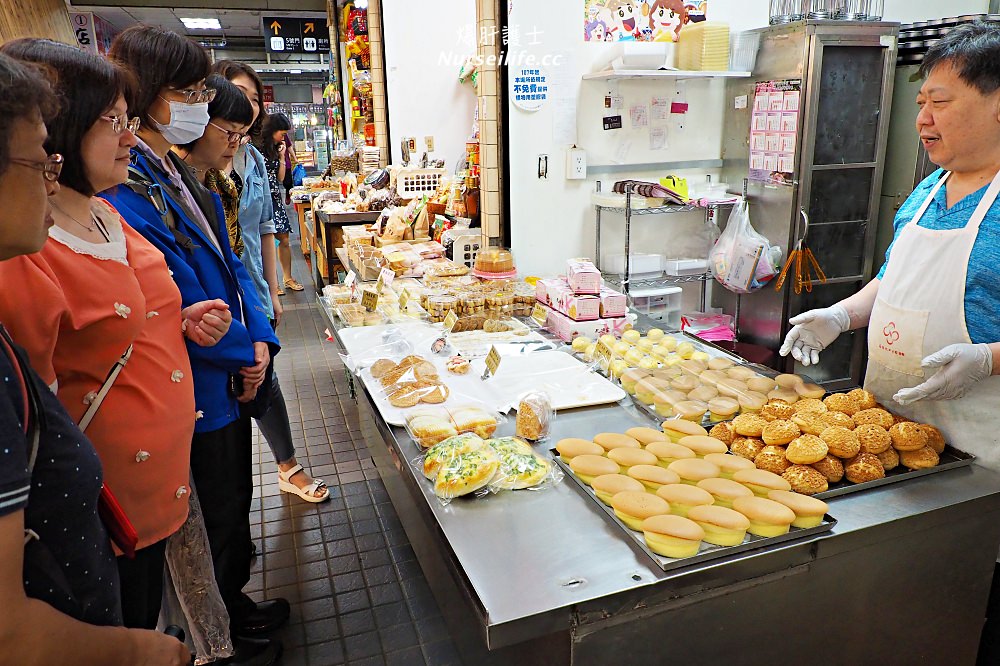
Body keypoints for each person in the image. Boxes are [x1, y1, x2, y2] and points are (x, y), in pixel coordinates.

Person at [776, 22, 1000, 663]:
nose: (922, 118)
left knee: (963, 610)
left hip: (982, 458)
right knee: (886, 606)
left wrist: (989, 358)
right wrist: (839, 316)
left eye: (941, 101)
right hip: (887, 440)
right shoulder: (927, 193)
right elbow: (893, 279)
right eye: (920, 101)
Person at [0, 37, 234, 637]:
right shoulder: (29, 245)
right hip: (106, 509)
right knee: (133, 622)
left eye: (130, 121)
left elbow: (124, 317)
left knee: (156, 607)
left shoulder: (106, 210)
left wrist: (181, 322)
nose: (130, 137)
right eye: (114, 122)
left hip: (160, 485)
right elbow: (36, 422)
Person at [99, 25, 284, 665]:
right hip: (196, 384)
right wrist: (244, 351)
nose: (200, 106)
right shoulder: (126, 192)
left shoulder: (174, 175)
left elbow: (232, 267)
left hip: (225, 371)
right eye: (188, 91)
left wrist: (259, 339)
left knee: (234, 498)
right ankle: (225, 626)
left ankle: (238, 609)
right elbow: (177, 301)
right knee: (214, 508)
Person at [209, 62, 329, 504]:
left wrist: (273, 292)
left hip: (253, 284)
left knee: (264, 374)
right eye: (239, 94)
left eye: (255, 98)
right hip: (216, 294)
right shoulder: (195, 164)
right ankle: (259, 480)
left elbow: (261, 228)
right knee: (238, 384)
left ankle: (285, 465)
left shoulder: (255, 157)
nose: (248, 104)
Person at [255, 112, 301, 293]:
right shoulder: (256, 148)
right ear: (271, 130)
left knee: (284, 239)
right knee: (265, 241)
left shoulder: (277, 148)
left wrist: (282, 157)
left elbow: (281, 178)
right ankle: (271, 283)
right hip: (260, 199)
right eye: (282, 133)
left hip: (274, 198)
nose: (283, 137)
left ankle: (287, 278)